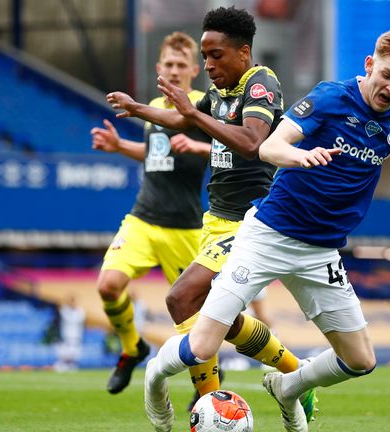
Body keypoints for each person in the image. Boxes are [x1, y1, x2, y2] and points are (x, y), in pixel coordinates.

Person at [141, 29, 390, 431]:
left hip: (320, 252)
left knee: (360, 360)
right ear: (369, 65)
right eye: (388, 76)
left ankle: (289, 387)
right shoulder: (330, 98)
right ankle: (154, 375)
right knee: (202, 345)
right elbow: (271, 147)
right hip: (267, 236)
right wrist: (301, 155)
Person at [107, 6, 316, 425]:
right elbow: (182, 117)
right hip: (216, 221)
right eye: (205, 56)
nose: (209, 65)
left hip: (252, 221)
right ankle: (293, 373)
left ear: (243, 52)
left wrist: (194, 112)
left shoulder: (261, 84)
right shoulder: (217, 91)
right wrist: (139, 109)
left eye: (216, 55)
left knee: (181, 298)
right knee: (207, 312)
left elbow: (252, 141)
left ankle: (216, 404)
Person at [92, 31, 212, 394]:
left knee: (194, 317)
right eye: (168, 65)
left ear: (194, 70)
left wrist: (196, 146)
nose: (174, 71)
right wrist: (119, 146)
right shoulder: (154, 108)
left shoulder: (202, 105)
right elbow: (156, 154)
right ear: (159, 68)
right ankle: (132, 348)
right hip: (144, 218)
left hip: (185, 227)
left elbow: (230, 152)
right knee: (108, 286)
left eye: (181, 65)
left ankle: (206, 390)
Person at [55, 295, 86, 371]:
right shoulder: (65, 310)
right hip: (66, 336)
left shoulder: (80, 311)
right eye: (71, 301)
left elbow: (79, 318)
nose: (72, 303)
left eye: (73, 301)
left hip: (76, 336)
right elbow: (66, 316)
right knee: (65, 353)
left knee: (74, 353)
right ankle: (63, 366)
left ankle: (72, 365)